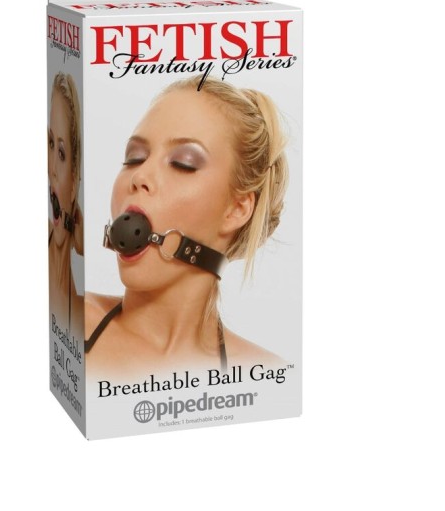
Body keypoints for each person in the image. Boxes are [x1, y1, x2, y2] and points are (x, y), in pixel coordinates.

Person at [85, 76, 288, 377]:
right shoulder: (66, 321)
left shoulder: (264, 373)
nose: (140, 176)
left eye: (183, 163)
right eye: (134, 158)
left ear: (237, 209)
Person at [48, 72, 84, 338]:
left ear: (74, 181)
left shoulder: (85, 317)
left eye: (60, 153)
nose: (51, 167)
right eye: (50, 143)